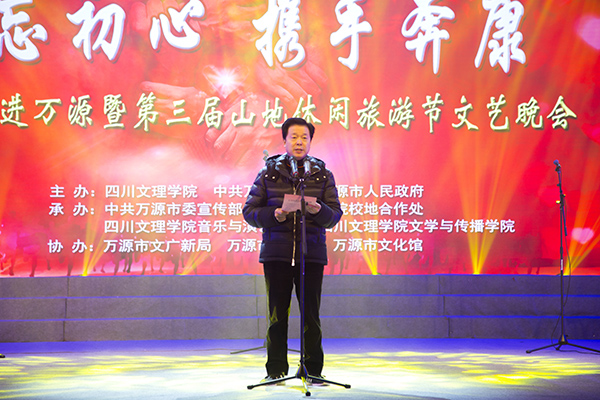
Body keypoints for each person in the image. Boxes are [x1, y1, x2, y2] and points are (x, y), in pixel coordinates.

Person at [243, 117, 342, 384]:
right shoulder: (268, 173)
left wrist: (320, 210)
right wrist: (274, 214)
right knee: (277, 315)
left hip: (311, 254)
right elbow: (249, 212)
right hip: (277, 254)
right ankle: (275, 368)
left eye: (304, 137)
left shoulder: (322, 174)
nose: (299, 142)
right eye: (294, 137)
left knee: (311, 315)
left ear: (310, 141)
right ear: (284, 141)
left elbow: (335, 215)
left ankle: (313, 369)